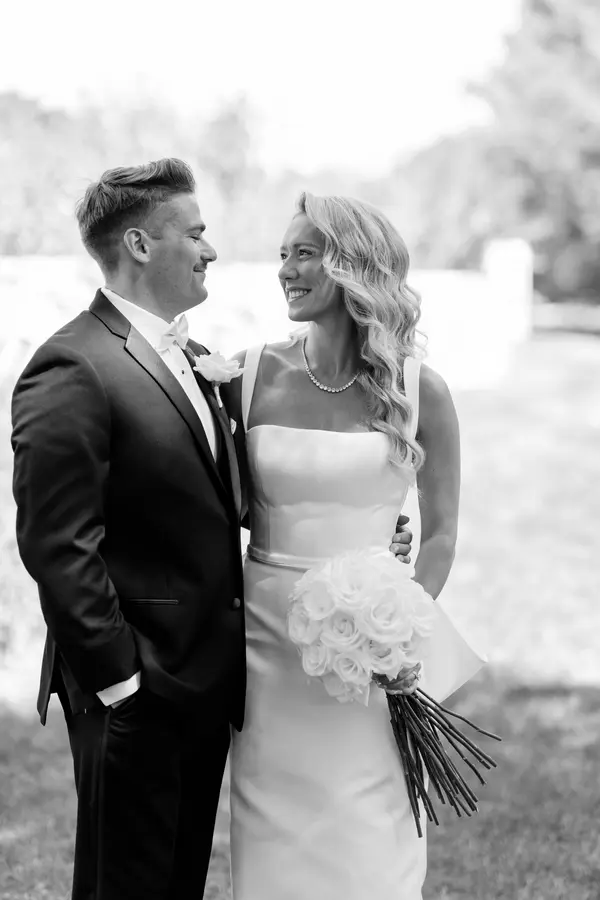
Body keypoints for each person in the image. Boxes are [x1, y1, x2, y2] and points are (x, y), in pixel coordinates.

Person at [10, 159, 413, 900]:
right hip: (137, 692)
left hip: (206, 686)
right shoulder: (73, 365)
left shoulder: (198, 363)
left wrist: (363, 543)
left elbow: (233, 500)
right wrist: (121, 682)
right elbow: (57, 545)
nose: (211, 250)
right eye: (195, 234)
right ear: (139, 245)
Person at [228, 192, 462, 900]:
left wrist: (400, 629)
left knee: (368, 827)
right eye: (283, 254)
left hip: (372, 653)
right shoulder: (246, 376)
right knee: (272, 829)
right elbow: (217, 509)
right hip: (264, 645)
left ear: (354, 265)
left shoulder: (422, 391)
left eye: (304, 254)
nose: (285, 270)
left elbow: (441, 532)